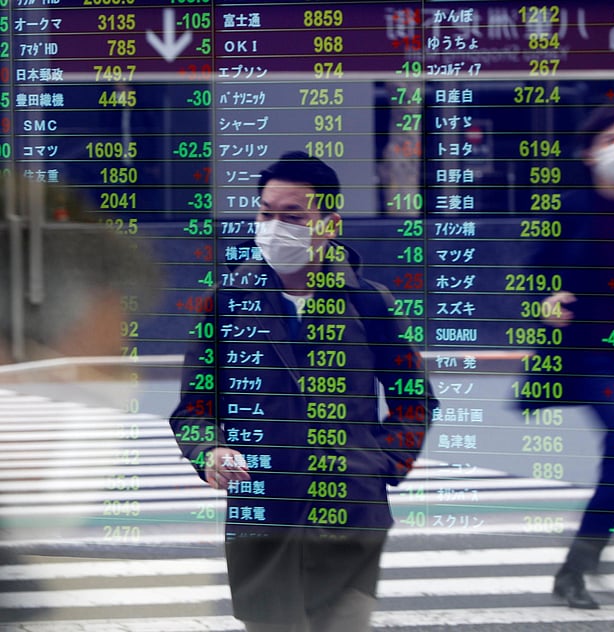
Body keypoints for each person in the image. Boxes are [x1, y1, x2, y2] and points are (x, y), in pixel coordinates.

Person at [169, 151, 435, 632]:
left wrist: (379, 466)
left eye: (292, 216)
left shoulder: (370, 303)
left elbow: (414, 402)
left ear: (329, 224)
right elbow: (195, 407)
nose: (274, 227)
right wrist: (209, 449)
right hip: (263, 516)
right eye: (266, 213)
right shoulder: (228, 303)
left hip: (350, 513)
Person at [530, 108, 614, 609]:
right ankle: (578, 567)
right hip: (590, 354)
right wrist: (548, 300)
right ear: (590, 151)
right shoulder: (572, 207)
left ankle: (579, 562)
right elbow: (537, 272)